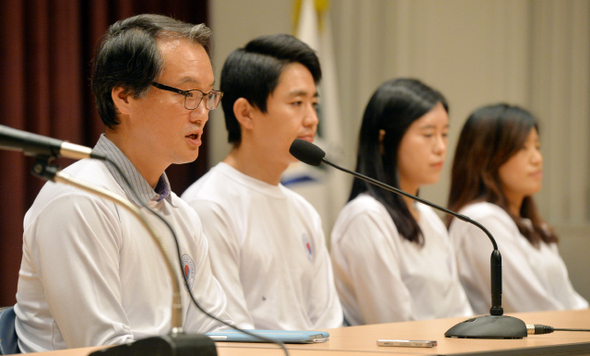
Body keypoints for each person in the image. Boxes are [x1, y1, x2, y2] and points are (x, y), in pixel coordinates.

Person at [14, 14, 232, 352]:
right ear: (124, 97)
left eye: (208, 95)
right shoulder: (79, 198)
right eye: (188, 93)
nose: (202, 112)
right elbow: (103, 347)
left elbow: (216, 332)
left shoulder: (182, 215)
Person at [181, 34, 343, 330]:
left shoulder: (304, 211)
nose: (312, 119)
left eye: (314, 103)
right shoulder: (208, 205)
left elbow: (328, 323)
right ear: (246, 113)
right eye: (296, 103)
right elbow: (231, 332)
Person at [330, 78, 473, 326]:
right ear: (385, 141)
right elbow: (393, 324)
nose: (440, 147)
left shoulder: (428, 216)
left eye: (445, 134)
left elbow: (460, 310)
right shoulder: (366, 217)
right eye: (428, 134)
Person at [447, 103, 588, 314]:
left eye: (537, 147)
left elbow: (568, 300)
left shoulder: (533, 225)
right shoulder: (481, 220)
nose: (537, 159)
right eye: (522, 148)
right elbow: (529, 309)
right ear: (487, 157)